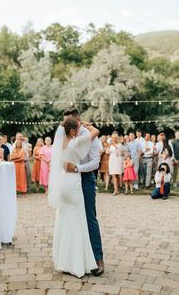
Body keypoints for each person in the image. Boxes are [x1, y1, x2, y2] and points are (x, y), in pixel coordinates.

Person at [49, 116, 99, 278]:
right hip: (73, 184)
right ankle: (77, 262)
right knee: (79, 220)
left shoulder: (61, 144)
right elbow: (96, 132)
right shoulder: (75, 142)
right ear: (72, 130)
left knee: (64, 219)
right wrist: (89, 126)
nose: (79, 130)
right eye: (77, 128)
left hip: (63, 182)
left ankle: (63, 259)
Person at [59, 107, 104, 276]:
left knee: (89, 217)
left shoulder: (91, 136)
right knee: (71, 217)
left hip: (85, 179)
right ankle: (73, 258)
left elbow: (95, 163)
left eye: (69, 122)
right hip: (70, 181)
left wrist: (76, 168)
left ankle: (98, 258)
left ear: (78, 121)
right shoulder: (66, 135)